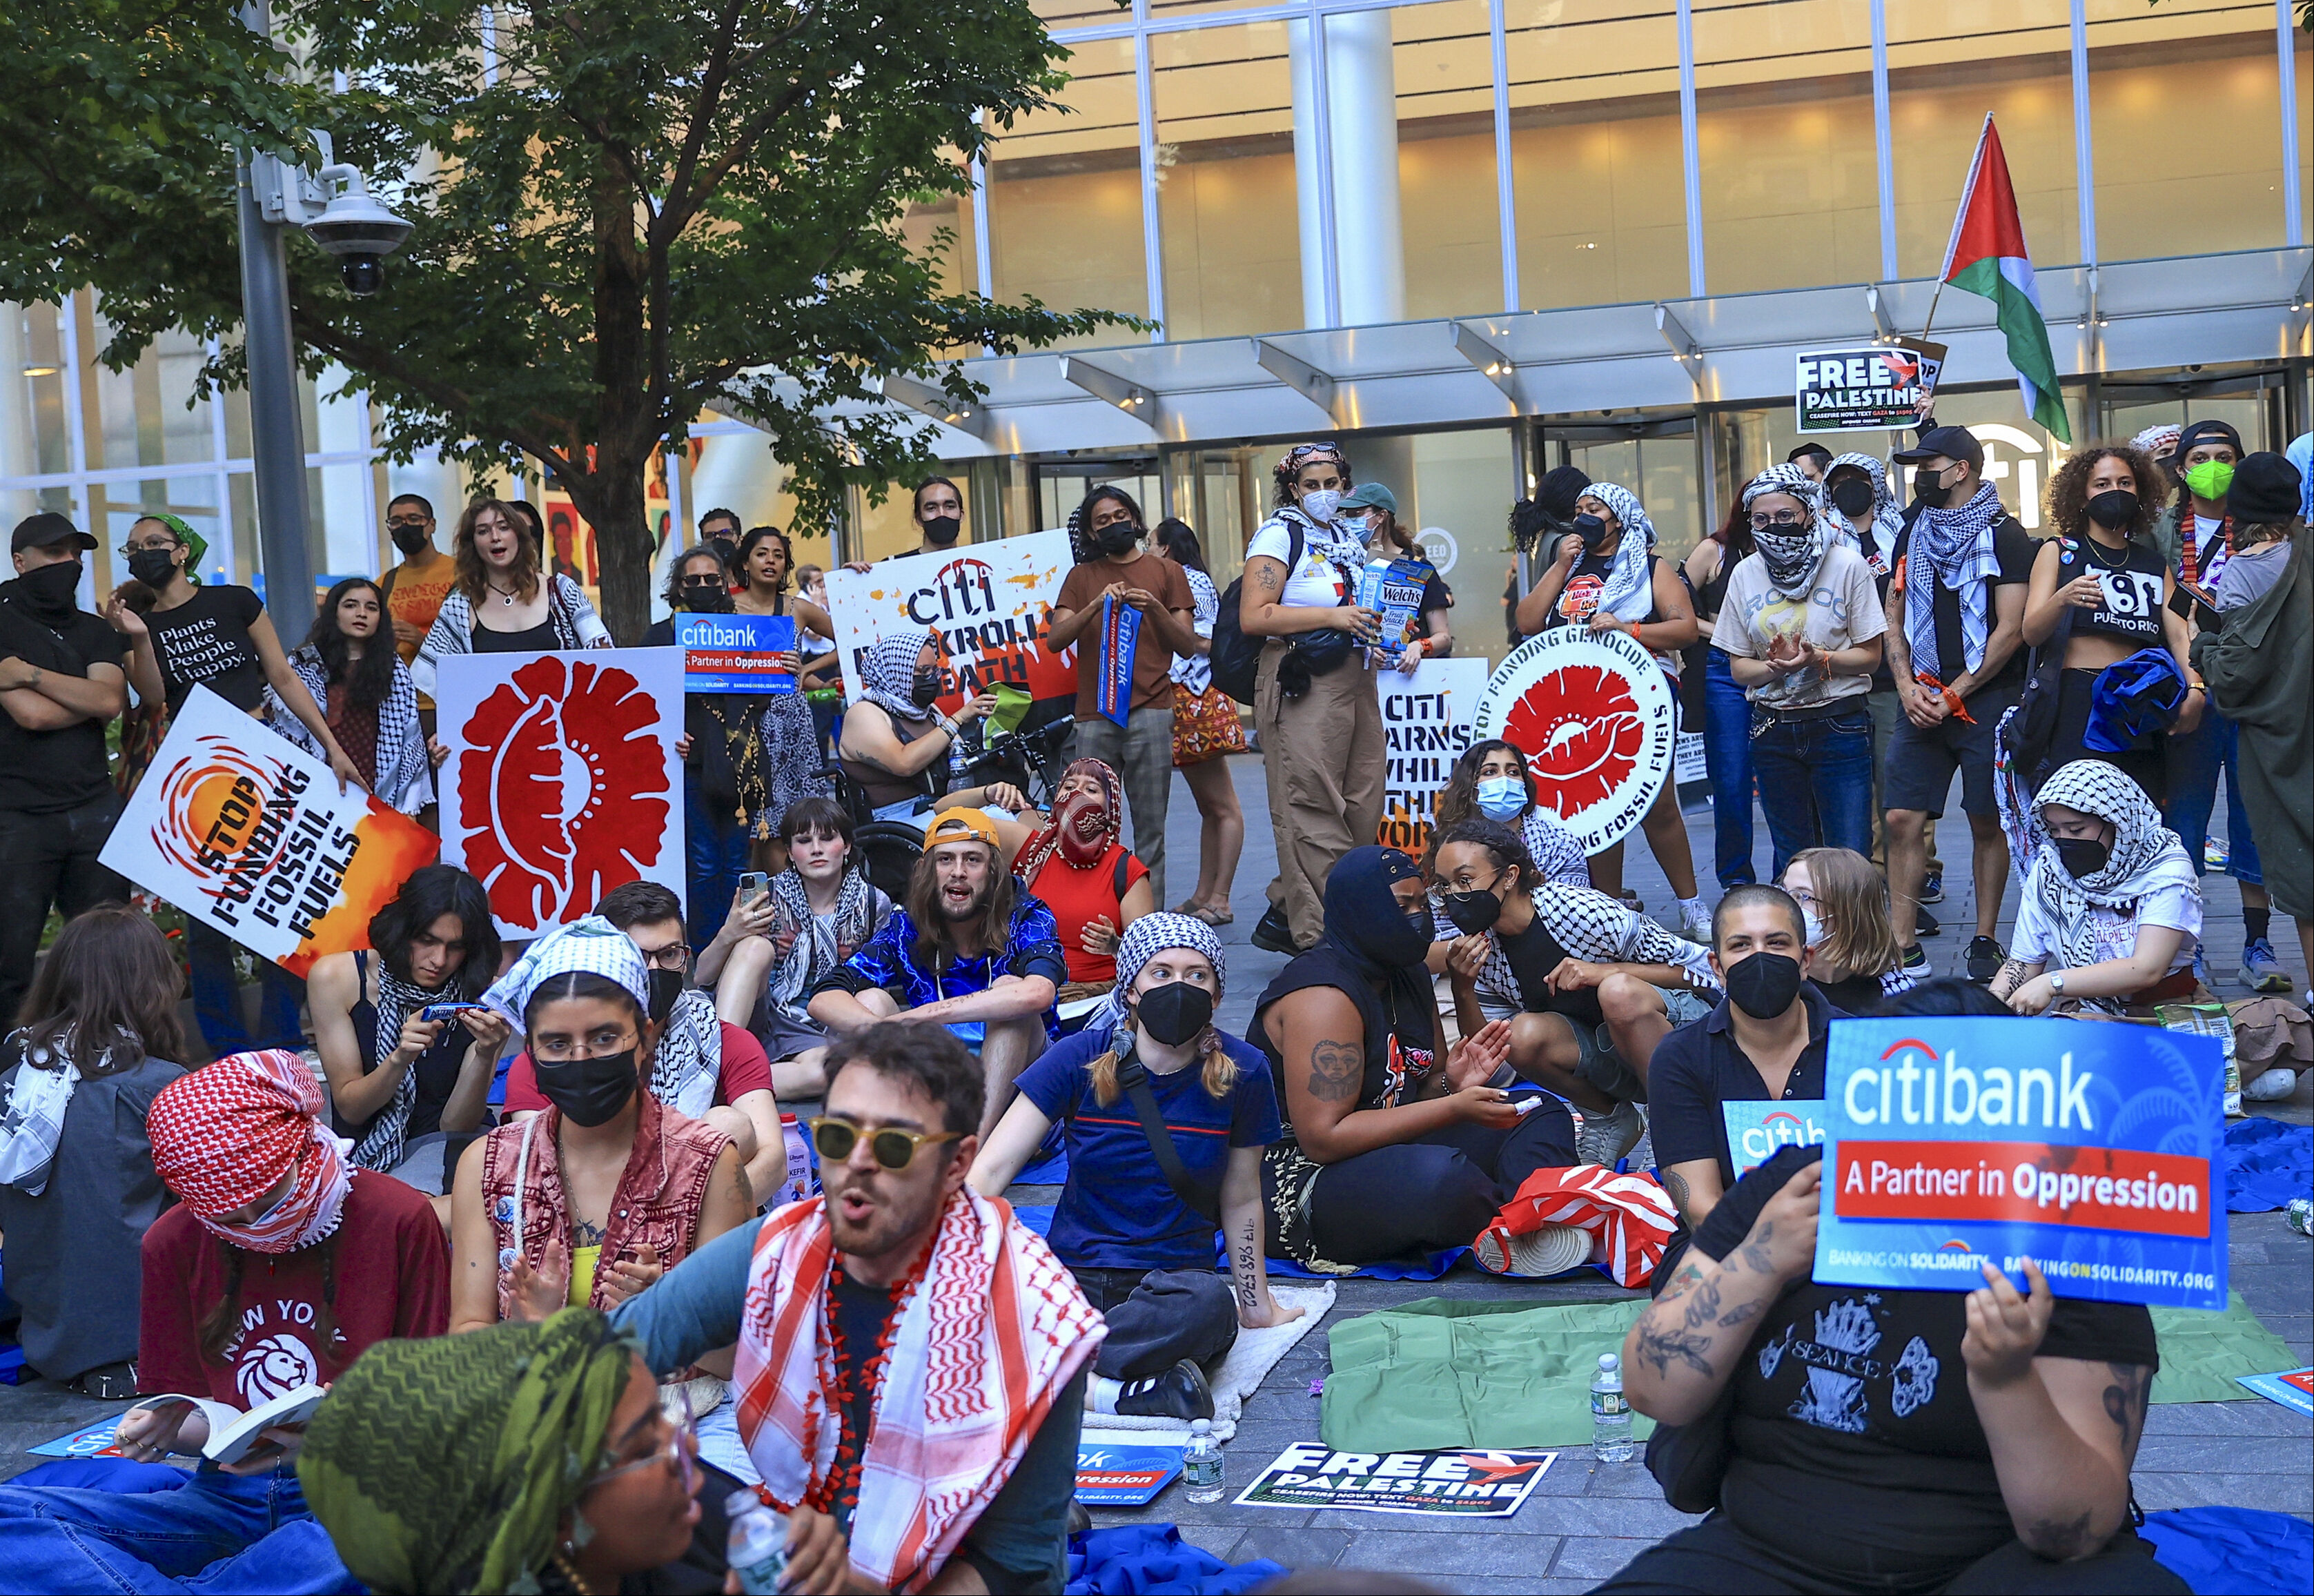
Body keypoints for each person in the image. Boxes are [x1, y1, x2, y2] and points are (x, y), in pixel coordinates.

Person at [609, 1021, 1101, 1595]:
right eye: (838, 1138)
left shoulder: (1035, 1315)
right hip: (794, 1546)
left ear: (957, 1163)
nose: (856, 1165)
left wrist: (845, 1587)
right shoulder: (785, 1248)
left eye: (893, 1144)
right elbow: (614, 1351)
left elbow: (1017, 1566)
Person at [1602, 1136, 2181, 1593]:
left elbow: (2070, 1529)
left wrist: (2006, 1381)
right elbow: (1654, 1389)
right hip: (1769, 1547)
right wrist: (1761, 1259)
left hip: (1989, 1559)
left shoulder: (2070, 1227)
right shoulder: (1799, 1184)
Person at [0, 1048, 451, 1595]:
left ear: (302, 1146)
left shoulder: (397, 1215)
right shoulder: (173, 1240)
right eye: (224, 1218)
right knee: (13, 1519)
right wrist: (165, 1426)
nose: (252, 1226)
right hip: (223, 1501)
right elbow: (202, 1422)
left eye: (266, 1202)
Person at [972, 914, 1303, 1421]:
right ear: (1130, 990)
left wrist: (1255, 1303)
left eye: (1197, 975)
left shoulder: (1245, 1070)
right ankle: (1108, 1391)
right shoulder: (1078, 1056)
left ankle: (1047, 1367)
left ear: (1216, 995)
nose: (1179, 986)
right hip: (1071, 1276)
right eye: (1161, 972)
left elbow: (1240, 1197)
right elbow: (990, 1171)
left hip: (1170, 1284)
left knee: (1211, 1309)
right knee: (993, 1302)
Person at [1253, 845, 1583, 1274]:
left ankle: (1534, 1220)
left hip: (1389, 1146)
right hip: (1305, 1176)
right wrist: (1451, 1106)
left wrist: (1453, 1085)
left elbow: (1425, 1087)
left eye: (1422, 902)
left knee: (1536, 1111)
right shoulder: (1323, 999)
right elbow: (1323, 1138)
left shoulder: (1406, 969)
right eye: (1402, 905)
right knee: (1445, 1179)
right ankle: (1525, 1225)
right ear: (1363, 911)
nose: (1419, 916)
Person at [106, 510, 360, 1056]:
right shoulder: (139, 624)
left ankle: (280, 1036)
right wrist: (138, 638)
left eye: (155, 542)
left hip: (262, 754)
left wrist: (332, 748)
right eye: (132, 548)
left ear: (181, 551)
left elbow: (282, 675)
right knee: (207, 914)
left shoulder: (235, 600)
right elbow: (152, 696)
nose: (143, 552)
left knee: (277, 899)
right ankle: (226, 1045)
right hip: (196, 767)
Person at [451, 916, 754, 1330]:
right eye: (557, 1044)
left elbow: (741, 1352)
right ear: (530, 1052)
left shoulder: (709, 1164)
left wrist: (668, 1313)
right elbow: (469, 1330)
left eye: (604, 1039)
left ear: (645, 1037)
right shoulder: (489, 1167)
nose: (581, 1059)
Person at [300, 1308, 703, 1596]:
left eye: (666, 1416)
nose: (688, 1445)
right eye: (647, 1447)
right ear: (548, 1517)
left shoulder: (692, 1528)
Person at [1431, 820, 1719, 1170]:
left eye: (1464, 881)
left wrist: (1606, 972)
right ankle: (1607, 1117)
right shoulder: (1485, 948)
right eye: (1444, 887)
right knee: (1519, 1035)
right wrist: (1463, 987)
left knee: (1618, 993)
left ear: (1509, 876)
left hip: (1686, 1038)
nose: (1453, 897)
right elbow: (1490, 1056)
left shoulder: (1576, 911)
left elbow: (1702, 969)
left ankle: (1676, 1123)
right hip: (1610, 1056)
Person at [0, 906, 188, 1394]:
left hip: (47, 1337)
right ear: (152, 984)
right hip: (141, 1341)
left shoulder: (16, 1084)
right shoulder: (157, 1085)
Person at [502, 883, 785, 1205]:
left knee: (729, 1125)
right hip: (587, 1212)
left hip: (693, 1220)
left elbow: (773, 1162)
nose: (654, 971)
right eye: (637, 955)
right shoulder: (552, 1055)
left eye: (669, 955)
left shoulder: (724, 1040)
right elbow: (535, 1168)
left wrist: (686, 1217)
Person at [1514, 480, 1711, 940]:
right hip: (1577, 697)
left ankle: (1690, 905)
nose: (1583, 515)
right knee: (1598, 807)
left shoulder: (1650, 566)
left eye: (1594, 508)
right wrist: (1561, 564)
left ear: (1618, 518)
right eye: (1578, 508)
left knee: (1656, 802)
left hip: (1638, 692)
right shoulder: (1568, 566)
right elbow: (1526, 621)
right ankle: (1606, 907)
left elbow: (1683, 629)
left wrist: (1629, 630)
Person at [1884, 424, 2037, 982]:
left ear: (1962, 469)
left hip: (1985, 697)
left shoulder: (2006, 535)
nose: (1920, 474)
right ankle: (1902, 944)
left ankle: (1984, 937)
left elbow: (2011, 630)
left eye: (1930, 464)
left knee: (1985, 819)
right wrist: (1905, 687)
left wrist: (1955, 695)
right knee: (1901, 816)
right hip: (1919, 694)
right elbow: (1893, 615)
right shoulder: (1910, 532)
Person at [808, 808, 1064, 1138]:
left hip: (1020, 1086)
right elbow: (824, 997)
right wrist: (880, 1027)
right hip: (939, 1078)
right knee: (871, 1000)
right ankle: (885, 1135)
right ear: (928, 871)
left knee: (1011, 993)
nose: (958, 872)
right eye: (945, 860)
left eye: (973, 860)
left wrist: (922, 1017)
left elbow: (1038, 993)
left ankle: (973, 1150)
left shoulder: (1028, 915)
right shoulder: (906, 928)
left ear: (993, 872)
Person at [2152, 421, 2290, 994]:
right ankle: (2187, 949)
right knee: (2182, 822)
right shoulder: (2159, 531)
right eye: (2200, 457)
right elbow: (2164, 610)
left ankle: (2258, 943)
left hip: (2252, 695)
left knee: (2251, 821)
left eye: (2225, 456)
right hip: (2189, 696)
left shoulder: (2267, 529)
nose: (2213, 466)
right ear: (2181, 468)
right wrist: (2191, 678)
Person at [1239, 442, 1389, 955]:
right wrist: (1331, 617)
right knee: (1311, 808)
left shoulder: (1345, 536)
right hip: (1302, 676)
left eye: (1332, 484)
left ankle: (1290, 904)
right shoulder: (1279, 533)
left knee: (1362, 803)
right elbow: (1254, 615)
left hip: (1356, 674)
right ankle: (1325, 941)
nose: (1324, 494)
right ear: (1293, 490)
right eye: (1311, 485)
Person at [1714, 465, 1887, 876]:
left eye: (1785, 516)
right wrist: (1772, 667)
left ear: (1809, 512)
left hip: (1839, 725)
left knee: (1849, 858)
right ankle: (1803, 940)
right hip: (1772, 729)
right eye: (1761, 519)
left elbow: (1870, 657)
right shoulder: (1745, 573)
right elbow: (1739, 668)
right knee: (1794, 858)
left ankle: (1851, 941)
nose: (1774, 527)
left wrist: (1817, 659)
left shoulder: (1847, 565)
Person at [1647, 884, 1844, 1233]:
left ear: (1805, 960)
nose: (1760, 957)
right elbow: (1700, 1206)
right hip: (1726, 1248)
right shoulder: (1680, 1057)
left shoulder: (1862, 1047)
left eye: (1777, 943)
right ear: (1717, 967)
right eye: (1740, 945)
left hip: (1845, 1245)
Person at [0, 513, 130, 1026]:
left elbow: (110, 699)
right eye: (55, 553)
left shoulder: (94, 630)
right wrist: (87, 697)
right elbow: (29, 716)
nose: (69, 563)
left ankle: (108, 1058)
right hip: (17, 814)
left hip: (93, 808)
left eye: (76, 554)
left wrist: (27, 674)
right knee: (10, 959)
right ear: (20, 560)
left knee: (107, 953)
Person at [2197, 452, 2311, 1032]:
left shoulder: (2241, 570)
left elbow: (2234, 673)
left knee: (2301, 871)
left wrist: (2202, 647)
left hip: (2276, 740)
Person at [306, 864, 508, 1187]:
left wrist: (487, 1054)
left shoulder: (483, 993)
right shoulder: (339, 978)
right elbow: (351, 1109)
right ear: (402, 930)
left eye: (455, 947)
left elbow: (457, 1125)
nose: (438, 960)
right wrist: (400, 1058)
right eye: (427, 940)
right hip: (366, 1154)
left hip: (453, 1149)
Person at [1043, 486, 1197, 905]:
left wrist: (1156, 610)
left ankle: (1149, 926)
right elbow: (1056, 640)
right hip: (1094, 716)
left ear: (1135, 518)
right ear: (1091, 533)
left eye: (1120, 515)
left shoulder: (1166, 572)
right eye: (1102, 521)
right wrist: (1094, 605)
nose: (1114, 525)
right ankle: (1091, 915)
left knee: (1151, 830)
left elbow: (1188, 644)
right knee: (1085, 824)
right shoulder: (1081, 577)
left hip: (1151, 710)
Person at [2019, 443, 2198, 800]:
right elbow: (2031, 632)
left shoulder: (2153, 562)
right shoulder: (2059, 551)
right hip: (2076, 699)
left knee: (2140, 807)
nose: (2115, 491)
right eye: (2101, 484)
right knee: (2079, 808)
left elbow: (2178, 634)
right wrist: (2062, 599)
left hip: (2139, 698)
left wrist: (2195, 689)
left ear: (2140, 492)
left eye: (2125, 483)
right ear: (2081, 496)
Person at [705, 796, 895, 1101]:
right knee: (756, 948)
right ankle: (722, 1059)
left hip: (829, 1024)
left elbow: (885, 972)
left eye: (828, 838)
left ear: (846, 846)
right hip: (766, 1014)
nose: (817, 849)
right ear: (791, 853)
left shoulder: (874, 903)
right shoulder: (765, 897)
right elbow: (702, 976)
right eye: (804, 840)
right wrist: (729, 934)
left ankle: (723, 1085)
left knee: (871, 1006)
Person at [1990, 759, 2206, 1017]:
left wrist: (2052, 983)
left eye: (2076, 829)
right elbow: (2025, 961)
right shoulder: (2051, 870)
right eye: (2054, 831)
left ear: (2117, 822)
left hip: (2166, 1011)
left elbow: (2147, 968)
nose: (2064, 842)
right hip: (2087, 1009)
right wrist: (1989, 1007)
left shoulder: (2163, 868)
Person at [1825, 452, 1942, 919]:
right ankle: (1876, 879)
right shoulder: (1822, 538)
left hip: (1899, 676)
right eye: (1839, 481)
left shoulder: (1904, 532)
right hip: (1845, 676)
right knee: (1863, 787)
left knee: (1902, 780)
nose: (1848, 488)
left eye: (1858, 479)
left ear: (1876, 483)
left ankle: (1918, 876)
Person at [647, 543, 764, 945]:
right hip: (689, 767)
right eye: (692, 580)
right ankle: (704, 950)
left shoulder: (749, 631)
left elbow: (764, 696)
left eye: (711, 579)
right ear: (678, 586)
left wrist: (787, 668)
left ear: (726, 583)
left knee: (736, 864)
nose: (702, 586)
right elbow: (642, 699)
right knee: (701, 865)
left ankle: (740, 947)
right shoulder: (660, 636)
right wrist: (667, 731)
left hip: (740, 765)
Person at [412, 497, 611, 700]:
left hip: (566, 724)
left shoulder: (561, 590)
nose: (495, 537)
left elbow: (604, 656)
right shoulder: (459, 606)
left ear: (519, 535)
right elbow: (429, 678)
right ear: (472, 544)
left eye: (504, 527)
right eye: (483, 531)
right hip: (492, 726)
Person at [267, 575, 432, 814]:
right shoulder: (303, 664)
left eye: (371, 607)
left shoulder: (394, 669)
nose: (361, 613)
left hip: (376, 784)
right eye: (351, 605)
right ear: (334, 612)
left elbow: (408, 741)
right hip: (317, 788)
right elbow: (287, 738)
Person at [834, 627, 1028, 827]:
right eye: (923, 672)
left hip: (943, 804)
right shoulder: (864, 713)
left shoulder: (924, 710)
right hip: (899, 817)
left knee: (1022, 819)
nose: (932, 678)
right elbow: (904, 763)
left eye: (934, 670)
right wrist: (959, 717)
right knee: (992, 829)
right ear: (896, 672)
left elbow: (958, 758)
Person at [1153, 516, 1246, 926]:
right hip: (1194, 700)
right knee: (1211, 806)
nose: (1146, 550)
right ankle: (1205, 895)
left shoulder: (1188, 582)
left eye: (1151, 543)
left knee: (1221, 805)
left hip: (1197, 700)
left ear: (1167, 549)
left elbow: (1202, 641)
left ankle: (1220, 898)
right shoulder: (1191, 580)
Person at [730, 524, 838, 869]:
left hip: (792, 726)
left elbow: (851, 635)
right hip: (746, 724)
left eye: (778, 555)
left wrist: (807, 669)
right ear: (746, 562)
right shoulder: (726, 609)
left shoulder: (798, 608)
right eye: (762, 554)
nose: (770, 561)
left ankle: (791, 901)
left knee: (794, 823)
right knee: (755, 827)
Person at [1013, 757, 1154, 1001]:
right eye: (1068, 787)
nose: (1076, 794)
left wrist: (1115, 946)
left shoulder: (1126, 869)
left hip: (1095, 998)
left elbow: (1148, 960)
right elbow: (948, 817)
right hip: (1029, 991)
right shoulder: (1032, 850)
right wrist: (988, 792)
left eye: (1091, 789)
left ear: (1110, 810)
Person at [1683, 500, 1761, 891]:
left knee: (1784, 777)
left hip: (1782, 667)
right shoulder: (1716, 550)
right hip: (1725, 666)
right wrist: (1720, 633)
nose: (1770, 521)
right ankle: (1736, 880)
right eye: (1760, 512)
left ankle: (1790, 877)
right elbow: (1677, 607)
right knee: (1730, 779)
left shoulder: (1800, 548)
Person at [1427, 737, 1589, 887]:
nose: (1504, 779)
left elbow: (1574, 912)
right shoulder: (1450, 845)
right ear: (1471, 786)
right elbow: (1443, 910)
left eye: (1513, 772)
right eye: (1490, 772)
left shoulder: (1560, 844)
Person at [1780, 846, 1920, 1013]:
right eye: (1783, 892)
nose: (1784, 905)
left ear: (1848, 911)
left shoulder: (1896, 993)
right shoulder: (1771, 986)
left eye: (1802, 896)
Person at [1339, 481, 1454, 671]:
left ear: (1381, 516)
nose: (1349, 521)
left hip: (1408, 683)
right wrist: (1365, 651)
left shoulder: (1418, 568)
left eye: (1357, 514)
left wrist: (1420, 646)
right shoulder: (1347, 566)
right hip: (1357, 680)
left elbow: (1443, 636)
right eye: (1347, 515)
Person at [379, 492, 455, 732]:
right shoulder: (384, 584)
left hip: (449, 699)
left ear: (431, 525)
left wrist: (423, 641)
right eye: (397, 521)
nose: (405, 527)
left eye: (414, 519)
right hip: (401, 704)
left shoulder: (461, 573)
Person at [698, 504, 744, 570]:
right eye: (710, 536)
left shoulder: (751, 572)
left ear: (740, 540)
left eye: (725, 533)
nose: (718, 538)